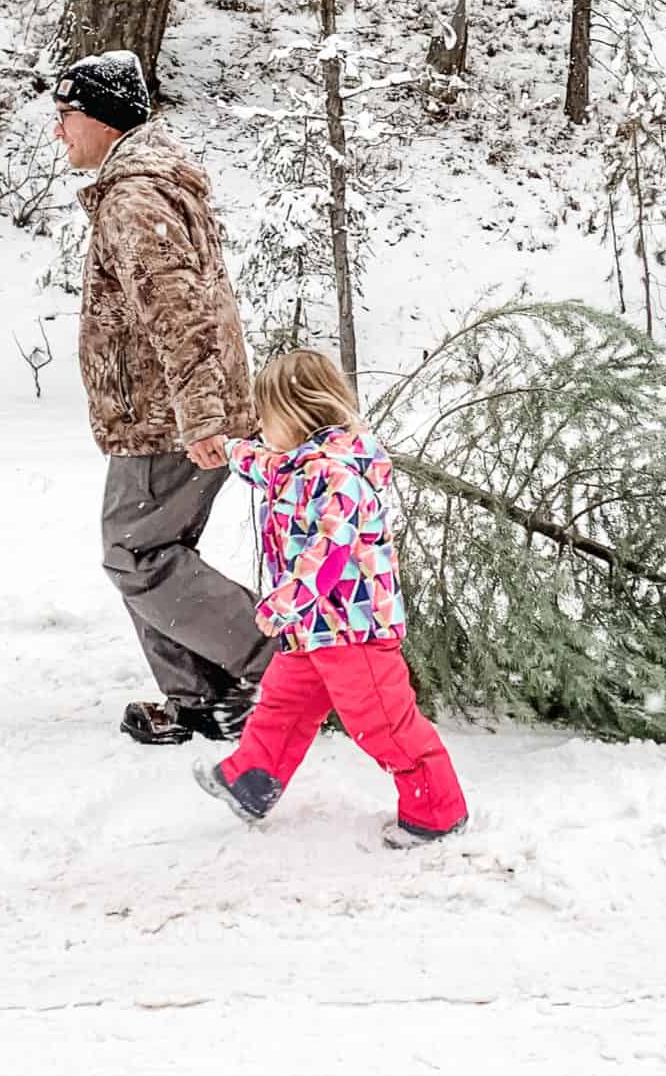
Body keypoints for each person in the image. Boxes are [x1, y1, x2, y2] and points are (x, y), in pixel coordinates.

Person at [48, 51, 273, 746]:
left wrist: (203, 416)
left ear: (102, 119)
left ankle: (284, 669)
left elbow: (179, 312)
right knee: (152, 548)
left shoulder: (139, 197)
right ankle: (204, 695)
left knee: (136, 553)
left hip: (168, 418)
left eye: (66, 119)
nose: (60, 135)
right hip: (169, 412)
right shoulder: (146, 184)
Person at [194, 350, 471, 849]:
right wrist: (228, 450)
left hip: (354, 629)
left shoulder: (338, 475)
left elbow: (329, 551)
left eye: (266, 417)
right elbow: (267, 465)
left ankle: (437, 810)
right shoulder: (298, 464)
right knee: (282, 706)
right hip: (313, 629)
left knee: (383, 723)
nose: (261, 427)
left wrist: (283, 604)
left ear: (296, 413)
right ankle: (250, 781)